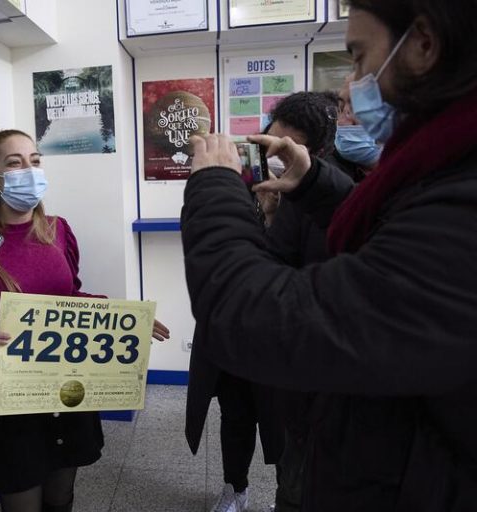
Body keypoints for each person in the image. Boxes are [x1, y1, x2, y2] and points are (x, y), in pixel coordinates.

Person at [182, 0, 477, 510]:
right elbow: (392, 242)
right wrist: (316, 184)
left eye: (360, 58)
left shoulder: (463, 206)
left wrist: (213, 187)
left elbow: (250, 315)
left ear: (425, 44)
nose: (347, 87)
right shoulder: (443, 171)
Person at [0, 129, 169, 512]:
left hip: (66, 390)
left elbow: (70, 301)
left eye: (34, 160)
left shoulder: (58, 230)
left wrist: (123, 319)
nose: (29, 170)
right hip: (11, 403)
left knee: (61, 497)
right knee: (22, 501)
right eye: (15, 163)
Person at [199, 91, 348, 512]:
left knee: (292, 438)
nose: (276, 155)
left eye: (289, 147)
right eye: (272, 141)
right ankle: (236, 487)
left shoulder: (323, 198)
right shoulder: (254, 182)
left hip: (296, 350)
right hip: (243, 339)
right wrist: (260, 213)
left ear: (314, 152)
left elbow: (283, 277)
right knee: (238, 413)